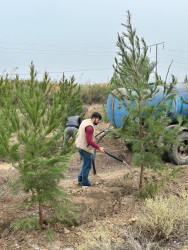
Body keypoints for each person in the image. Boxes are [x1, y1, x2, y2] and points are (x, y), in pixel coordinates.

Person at [75, 112, 105, 186]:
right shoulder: (90, 127)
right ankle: (85, 183)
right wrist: (99, 148)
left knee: (85, 163)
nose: (99, 121)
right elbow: (89, 141)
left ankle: (80, 179)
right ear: (94, 118)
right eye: (98, 119)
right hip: (84, 148)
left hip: (79, 145)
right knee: (87, 165)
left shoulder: (85, 121)